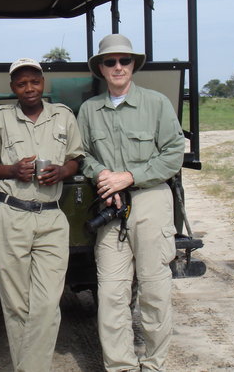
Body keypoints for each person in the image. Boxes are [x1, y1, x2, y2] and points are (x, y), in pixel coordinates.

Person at [77, 34, 185, 372]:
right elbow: (83, 156)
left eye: (124, 61)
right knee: (110, 294)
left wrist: (130, 177)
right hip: (111, 207)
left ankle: (153, 364)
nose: (118, 67)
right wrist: (103, 175)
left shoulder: (156, 103)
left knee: (154, 290)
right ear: (101, 69)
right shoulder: (89, 110)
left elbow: (173, 154)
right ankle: (120, 366)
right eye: (110, 62)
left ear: (133, 65)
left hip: (151, 201)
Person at [0, 58, 84, 371]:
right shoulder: (1, 117)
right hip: (12, 214)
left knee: (48, 304)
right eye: (21, 84)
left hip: (51, 217)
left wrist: (62, 171)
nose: (29, 88)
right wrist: (11, 169)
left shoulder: (63, 116)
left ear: (42, 83)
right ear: (13, 88)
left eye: (34, 81)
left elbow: (76, 158)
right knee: (16, 304)